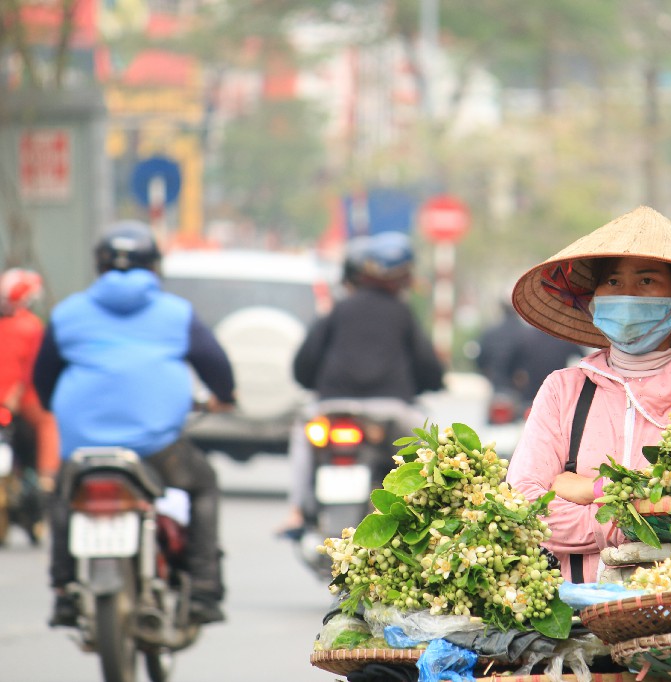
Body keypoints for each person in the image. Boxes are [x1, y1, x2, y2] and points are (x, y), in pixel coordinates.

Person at [505, 206, 671, 584]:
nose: (626, 295)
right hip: (574, 610)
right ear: (593, 299)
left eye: (646, 281)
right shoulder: (565, 389)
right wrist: (627, 520)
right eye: (612, 282)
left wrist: (588, 489)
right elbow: (522, 505)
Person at [32, 220, 236, 627]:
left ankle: (64, 593)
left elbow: (43, 381)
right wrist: (224, 398)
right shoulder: (176, 314)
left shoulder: (68, 313)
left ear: (99, 265)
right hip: (156, 447)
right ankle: (204, 590)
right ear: (154, 265)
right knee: (204, 483)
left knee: (63, 496)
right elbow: (217, 368)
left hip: (83, 448)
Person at [280, 231, 446, 532]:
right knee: (427, 452)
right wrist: (432, 382)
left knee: (302, 435)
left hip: (331, 407)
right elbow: (427, 366)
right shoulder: (402, 313)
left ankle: (295, 511)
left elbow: (304, 363)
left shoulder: (339, 309)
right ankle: (428, 523)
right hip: (391, 411)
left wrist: (314, 384)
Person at [0, 268, 60, 491]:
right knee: (49, 422)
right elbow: (33, 371)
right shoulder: (32, 326)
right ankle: (48, 479)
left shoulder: (6, 326)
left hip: (8, 404)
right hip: (17, 401)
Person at [476, 299, 582, 414]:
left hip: (525, 395)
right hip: (555, 395)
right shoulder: (565, 339)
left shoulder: (522, 336)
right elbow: (584, 361)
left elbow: (504, 363)